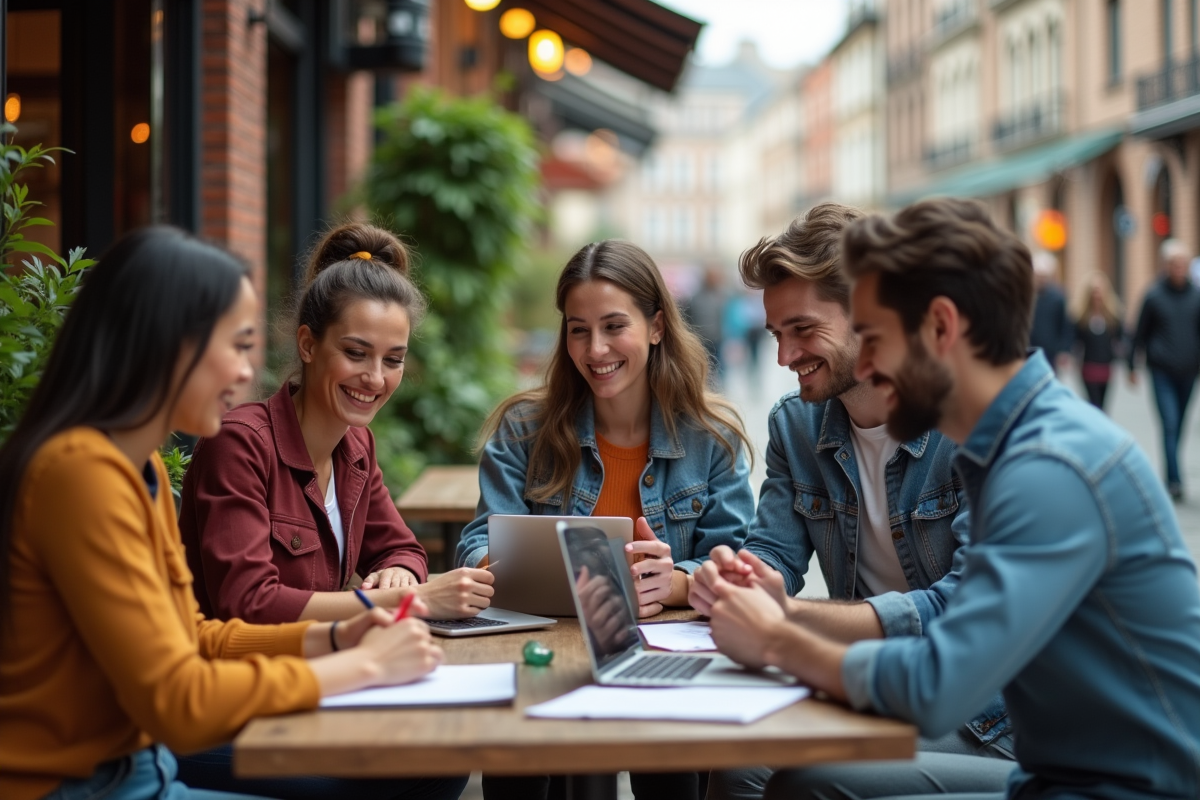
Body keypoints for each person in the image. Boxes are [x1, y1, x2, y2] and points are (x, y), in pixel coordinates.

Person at [707, 199, 1200, 800]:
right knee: (777, 770)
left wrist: (780, 636)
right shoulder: (1006, 446)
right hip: (1051, 777)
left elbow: (939, 684)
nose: (862, 362)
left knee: (802, 783)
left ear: (939, 328)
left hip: (1117, 789)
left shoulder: (1047, 465)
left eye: (875, 337)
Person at [0, 226, 465, 800]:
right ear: (164, 342)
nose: (247, 372)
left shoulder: (133, 467)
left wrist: (340, 638)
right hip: (85, 785)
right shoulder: (81, 475)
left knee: (435, 762)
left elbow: (195, 636)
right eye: (236, 345)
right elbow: (179, 700)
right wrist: (363, 664)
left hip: (141, 770)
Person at [690, 203, 1012, 800]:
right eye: (777, 336)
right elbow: (774, 555)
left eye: (804, 330)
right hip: (874, 680)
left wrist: (784, 618)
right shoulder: (796, 425)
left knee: (784, 775)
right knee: (732, 759)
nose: (784, 358)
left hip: (985, 712)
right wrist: (730, 578)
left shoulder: (974, 425)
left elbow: (962, 607)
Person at [459, 239, 755, 800]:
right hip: (542, 652)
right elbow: (478, 539)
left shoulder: (711, 439)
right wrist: (497, 565)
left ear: (656, 327)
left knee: (670, 770)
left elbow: (736, 558)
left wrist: (679, 581)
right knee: (517, 757)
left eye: (614, 325)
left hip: (663, 657)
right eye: (577, 329)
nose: (595, 349)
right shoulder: (524, 429)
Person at [179, 223, 494, 626]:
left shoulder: (356, 447)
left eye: (393, 359)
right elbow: (248, 603)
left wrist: (401, 573)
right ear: (308, 344)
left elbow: (401, 549)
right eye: (356, 352)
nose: (376, 378)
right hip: (242, 681)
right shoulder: (240, 444)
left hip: (323, 670)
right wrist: (410, 599)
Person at [1128, 238, 1200, 501]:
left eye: (1182, 263)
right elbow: (1139, 334)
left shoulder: (1196, 295)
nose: (1178, 268)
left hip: (1189, 370)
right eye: (1173, 263)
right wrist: (1131, 365)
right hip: (1161, 371)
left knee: (1179, 425)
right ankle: (1174, 481)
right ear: (1165, 266)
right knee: (1169, 424)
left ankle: (1172, 468)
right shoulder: (1154, 295)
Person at [1072, 272, 1125, 411]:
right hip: (1088, 366)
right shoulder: (1081, 317)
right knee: (1093, 403)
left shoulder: (1113, 317)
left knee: (1103, 404)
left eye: (1099, 291)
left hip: (1106, 365)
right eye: (1094, 292)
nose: (1097, 295)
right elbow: (1074, 339)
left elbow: (1122, 337)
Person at [1028, 251, 1072, 374]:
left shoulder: (1057, 297)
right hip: (1030, 348)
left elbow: (1065, 325)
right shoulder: (1027, 296)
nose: (1040, 279)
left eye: (1043, 276)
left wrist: (1064, 350)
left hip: (1051, 351)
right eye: (1038, 276)